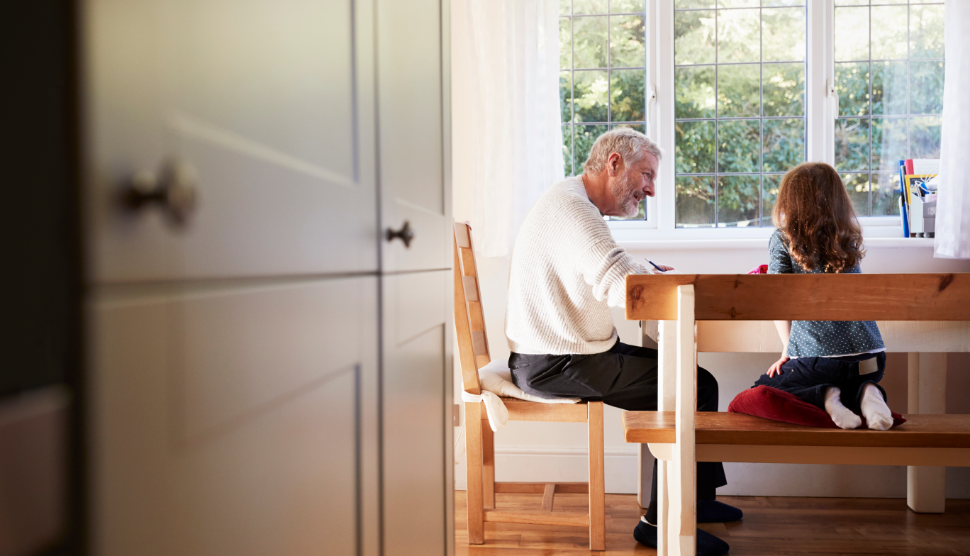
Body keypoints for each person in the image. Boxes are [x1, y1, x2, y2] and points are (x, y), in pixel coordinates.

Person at [504, 129, 738, 556]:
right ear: (613, 164)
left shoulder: (573, 203)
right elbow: (615, 282)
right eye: (646, 175)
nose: (650, 189)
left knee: (696, 381)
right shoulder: (574, 211)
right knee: (694, 386)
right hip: (557, 362)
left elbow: (609, 263)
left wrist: (648, 269)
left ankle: (693, 500)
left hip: (567, 352)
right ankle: (660, 521)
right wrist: (661, 283)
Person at [753, 162, 893, 431]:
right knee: (850, 376)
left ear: (789, 200)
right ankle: (867, 392)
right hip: (873, 362)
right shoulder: (847, 237)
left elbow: (775, 298)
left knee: (767, 387)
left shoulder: (784, 238)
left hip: (822, 366)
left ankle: (826, 396)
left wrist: (788, 350)